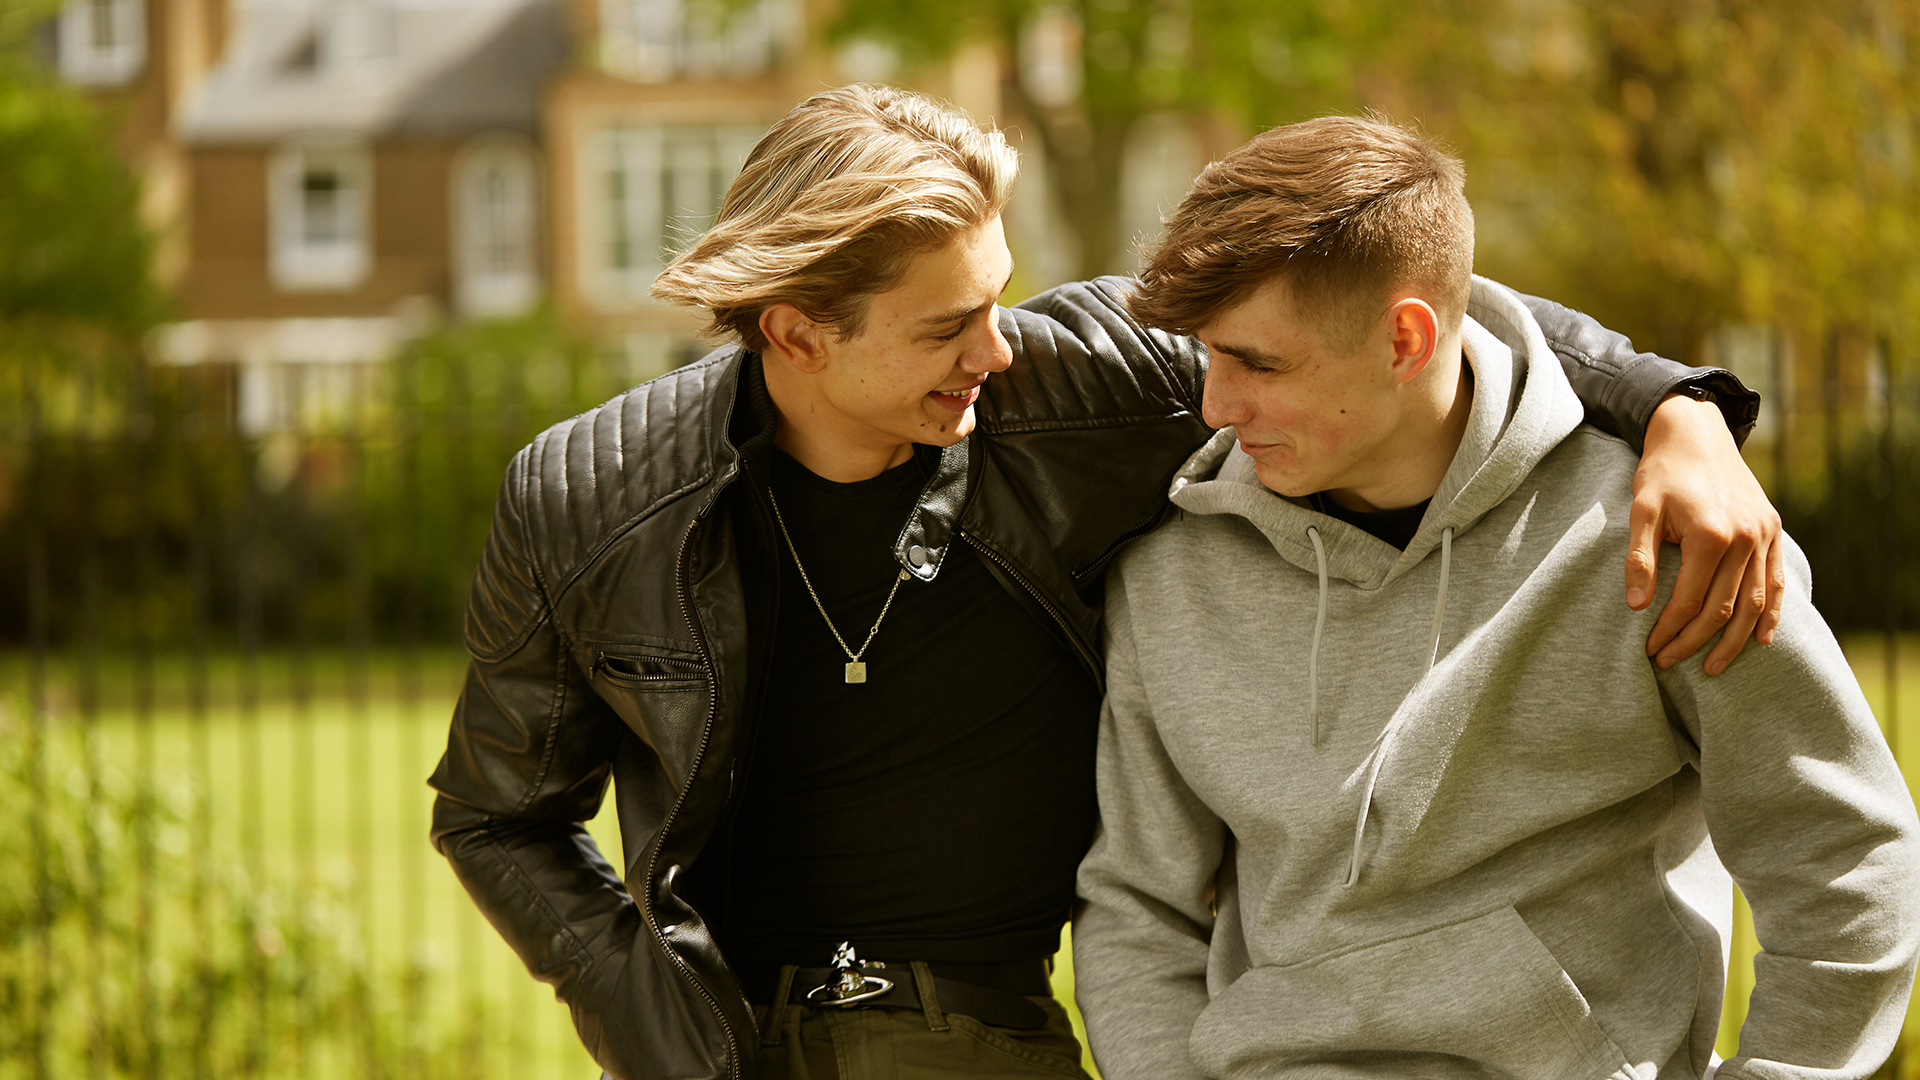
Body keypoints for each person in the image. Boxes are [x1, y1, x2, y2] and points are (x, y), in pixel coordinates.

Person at [428, 86, 1784, 1080]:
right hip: (709, 1040)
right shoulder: (589, 497)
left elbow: (1404, 312)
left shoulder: (1074, 385)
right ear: (797, 331)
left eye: (998, 301)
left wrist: (1679, 413)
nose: (998, 352)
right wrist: (644, 1021)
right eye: (948, 326)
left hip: (985, 1035)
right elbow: (495, 815)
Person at [1071, 114, 1920, 1080]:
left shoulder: (1656, 542)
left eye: (1257, 363)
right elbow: (1137, 907)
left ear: (1405, 338)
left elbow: (1843, 855)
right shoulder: (1173, 571)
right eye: (1208, 356)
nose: (1216, 404)